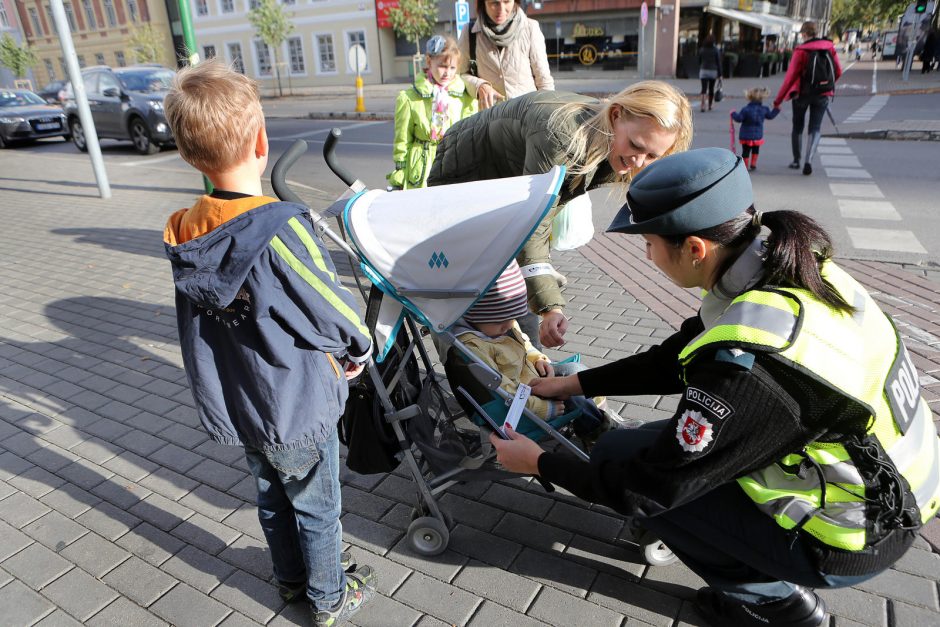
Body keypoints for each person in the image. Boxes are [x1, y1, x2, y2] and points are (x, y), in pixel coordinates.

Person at [489, 147, 940, 627]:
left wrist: (538, 463)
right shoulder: (782, 267)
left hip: (849, 534)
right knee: (619, 449)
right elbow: (673, 358)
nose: (646, 254)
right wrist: (572, 383)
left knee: (645, 479)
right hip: (889, 483)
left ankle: (776, 606)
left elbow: (652, 490)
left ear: (695, 249)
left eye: (649, 243)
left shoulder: (749, 368)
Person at [161, 59, 378, 626]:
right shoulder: (277, 227)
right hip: (296, 400)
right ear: (261, 140)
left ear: (188, 155)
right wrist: (358, 348)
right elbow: (326, 305)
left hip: (244, 401)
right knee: (318, 509)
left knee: (273, 500)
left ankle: (288, 582)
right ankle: (329, 600)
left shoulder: (187, 227)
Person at [428, 81, 693, 349]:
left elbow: (654, 200)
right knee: (478, 289)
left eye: (652, 156)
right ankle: (474, 363)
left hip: (508, 189)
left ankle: (519, 365)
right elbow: (533, 225)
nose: (639, 161)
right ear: (616, 115)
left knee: (509, 285)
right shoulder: (561, 137)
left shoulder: (617, 143)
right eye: (636, 145)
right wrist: (550, 307)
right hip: (467, 172)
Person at [451, 260, 610, 438]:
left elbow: (524, 343)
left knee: (577, 372)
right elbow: (504, 392)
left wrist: (537, 358)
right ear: (474, 315)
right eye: (499, 322)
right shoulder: (473, 347)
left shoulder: (503, 324)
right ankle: (598, 435)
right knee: (574, 396)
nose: (507, 326)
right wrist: (545, 409)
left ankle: (602, 416)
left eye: (512, 319)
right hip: (523, 403)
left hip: (534, 379)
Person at [387, 35, 477, 190]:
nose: (447, 73)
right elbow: (402, 140)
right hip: (421, 170)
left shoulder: (464, 97)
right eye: (442, 66)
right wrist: (400, 169)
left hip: (453, 164)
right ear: (429, 62)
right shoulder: (409, 98)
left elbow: (470, 135)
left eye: (452, 68)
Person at [773, 21, 842, 176]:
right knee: (815, 128)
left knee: (797, 126)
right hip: (823, 94)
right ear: (816, 33)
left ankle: (796, 160)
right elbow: (838, 71)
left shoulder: (801, 51)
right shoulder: (829, 48)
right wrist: (827, 85)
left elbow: (790, 78)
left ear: (804, 34)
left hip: (802, 94)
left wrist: (778, 100)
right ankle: (808, 160)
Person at [458, 0, 554, 110]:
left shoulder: (530, 28)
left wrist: (547, 113)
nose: (501, 10)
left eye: (507, 1)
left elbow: (544, 82)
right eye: (494, 3)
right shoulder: (469, 33)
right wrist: (479, 85)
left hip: (526, 118)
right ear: (483, 3)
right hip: (489, 120)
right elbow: (459, 75)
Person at [730, 87, 781, 171]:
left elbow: (739, 119)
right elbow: (771, 116)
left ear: (750, 98)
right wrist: (776, 109)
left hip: (746, 135)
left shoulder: (745, 109)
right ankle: (753, 164)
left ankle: (745, 166)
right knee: (755, 150)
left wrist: (733, 113)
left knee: (745, 151)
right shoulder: (764, 109)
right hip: (757, 135)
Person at [698, 35, 722, 112]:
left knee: (703, 89)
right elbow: (718, 62)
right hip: (713, 71)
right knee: (711, 89)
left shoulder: (702, 50)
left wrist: (701, 66)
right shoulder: (716, 50)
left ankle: (702, 106)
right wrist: (720, 74)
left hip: (703, 70)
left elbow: (699, 60)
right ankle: (710, 105)